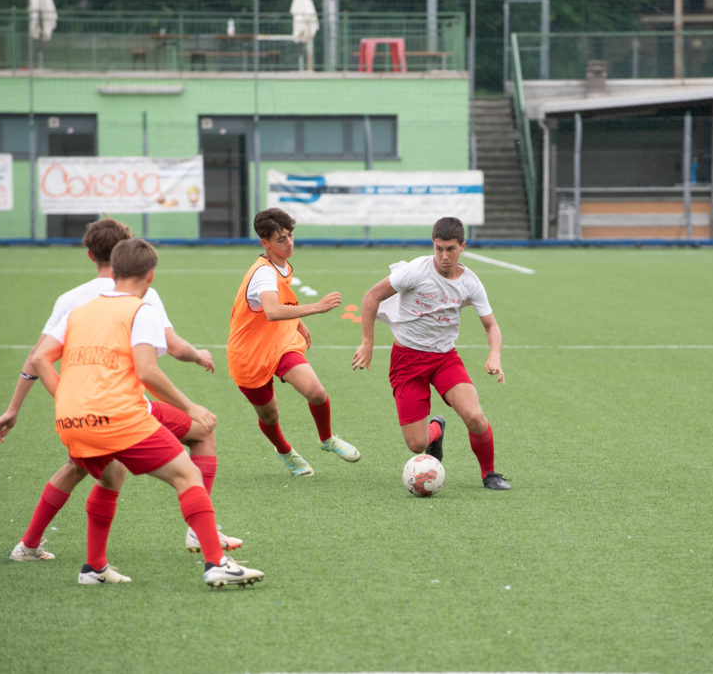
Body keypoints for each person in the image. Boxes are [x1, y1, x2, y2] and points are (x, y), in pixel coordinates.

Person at [0, 217, 240, 561]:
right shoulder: (141, 300)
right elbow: (165, 355)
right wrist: (198, 358)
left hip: (77, 414)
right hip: (121, 409)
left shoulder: (73, 301)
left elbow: (38, 357)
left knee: (97, 470)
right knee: (198, 443)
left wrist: (18, 407)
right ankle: (203, 538)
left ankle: (41, 548)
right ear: (145, 271)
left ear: (91, 255)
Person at [31, 238, 263, 587]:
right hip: (118, 417)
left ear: (113, 270)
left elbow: (39, 359)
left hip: (71, 420)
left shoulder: (80, 311)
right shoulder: (141, 310)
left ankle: (94, 568)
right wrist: (190, 406)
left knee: (110, 475)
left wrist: (64, 396)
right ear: (150, 275)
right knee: (187, 475)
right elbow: (147, 371)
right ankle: (216, 562)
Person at [351, 216, 511, 490]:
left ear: (462, 246)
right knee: (417, 444)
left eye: (450, 249)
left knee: (474, 416)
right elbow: (371, 297)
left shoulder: (470, 282)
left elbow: (491, 325)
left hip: (445, 359)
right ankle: (436, 430)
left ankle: (490, 474)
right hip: (407, 360)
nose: (444, 256)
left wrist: (494, 355)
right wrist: (367, 343)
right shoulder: (415, 271)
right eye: (438, 248)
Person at [228, 207, 360, 477]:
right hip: (248, 355)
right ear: (264, 243)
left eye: (290, 236)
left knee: (316, 392)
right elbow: (273, 311)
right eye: (280, 239)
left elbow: (281, 301)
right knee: (270, 416)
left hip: (279, 344)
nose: (288, 244)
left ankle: (327, 440)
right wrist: (318, 307)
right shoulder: (263, 273)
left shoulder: (282, 264)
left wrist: (298, 323)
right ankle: (286, 452)